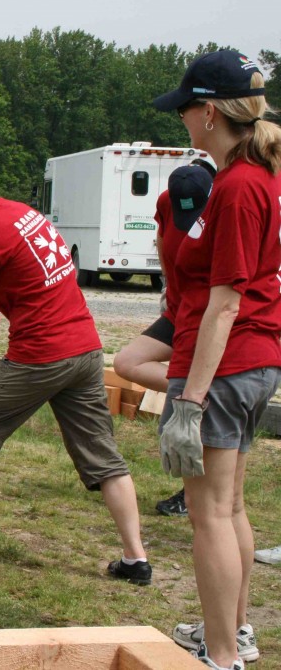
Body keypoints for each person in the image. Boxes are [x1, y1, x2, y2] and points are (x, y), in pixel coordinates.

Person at [0, 164, 151, 585]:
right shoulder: (15, 211)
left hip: (40, 356)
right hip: (85, 351)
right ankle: (135, 559)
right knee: (102, 455)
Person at [152, 49, 281, 670]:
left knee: (208, 517)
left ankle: (222, 654)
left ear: (209, 113)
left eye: (185, 109)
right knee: (229, 507)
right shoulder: (260, 175)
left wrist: (190, 402)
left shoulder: (236, 187)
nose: (181, 119)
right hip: (254, 360)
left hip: (225, 366)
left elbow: (225, 303)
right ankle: (233, 633)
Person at [113, 160, 216, 518]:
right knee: (127, 362)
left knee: (178, 420)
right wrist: (169, 287)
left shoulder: (225, 207)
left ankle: (192, 494)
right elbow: (162, 241)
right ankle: (205, 391)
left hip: (208, 315)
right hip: (178, 310)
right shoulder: (166, 202)